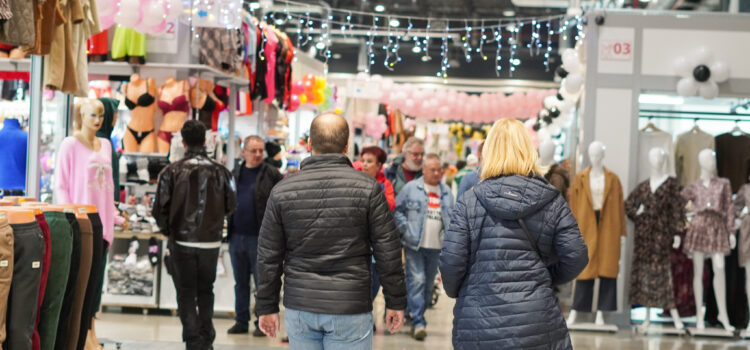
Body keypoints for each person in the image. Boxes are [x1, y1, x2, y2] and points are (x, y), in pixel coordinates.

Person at [256, 113, 407, 349]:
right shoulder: (368, 188)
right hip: (350, 305)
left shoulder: (282, 191)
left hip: (300, 304)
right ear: (346, 146)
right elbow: (387, 248)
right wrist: (395, 300)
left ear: (309, 144)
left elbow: (268, 255)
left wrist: (266, 306)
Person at [439, 119, 588, 349]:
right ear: (528, 150)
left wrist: (463, 290)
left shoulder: (470, 200)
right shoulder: (551, 200)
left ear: (489, 152)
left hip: (479, 321)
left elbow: (451, 262)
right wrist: (544, 278)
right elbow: (576, 255)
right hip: (536, 319)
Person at [153, 120, 237, 350]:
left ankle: (194, 341)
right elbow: (231, 205)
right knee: (205, 290)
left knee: (186, 292)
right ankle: (205, 339)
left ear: (183, 142)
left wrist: (169, 231)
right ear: (206, 141)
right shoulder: (222, 172)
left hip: (182, 240)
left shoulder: (171, 171)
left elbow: (159, 208)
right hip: (210, 241)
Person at [226, 136, 284, 336]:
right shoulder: (235, 174)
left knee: (263, 283)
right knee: (240, 283)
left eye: (261, 150)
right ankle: (241, 320)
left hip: (261, 239)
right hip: (237, 237)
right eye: (254, 151)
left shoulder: (272, 174)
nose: (258, 154)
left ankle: (262, 321)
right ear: (244, 151)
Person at [393, 153, 454, 341]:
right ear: (424, 170)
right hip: (414, 245)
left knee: (428, 286)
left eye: (439, 170)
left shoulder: (447, 193)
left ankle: (413, 312)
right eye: (433, 170)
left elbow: (453, 219)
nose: (437, 173)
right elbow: (398, 211)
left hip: (436, 247)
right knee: (417, 280)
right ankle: (419, 321)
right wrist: (406, 229)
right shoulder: (412, 188)